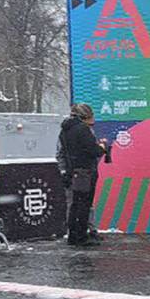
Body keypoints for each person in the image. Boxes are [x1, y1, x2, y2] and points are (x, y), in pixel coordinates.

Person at [59, 104, 107, 246]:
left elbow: (63, 151)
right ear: (84, 116)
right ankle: (81, 237)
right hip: (85, 171)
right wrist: (102, 147)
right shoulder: (82, 129)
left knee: (75, 205)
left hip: (72, 171)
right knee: (84, 205)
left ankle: (73, 236)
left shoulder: (65, 130)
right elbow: (94, 151)